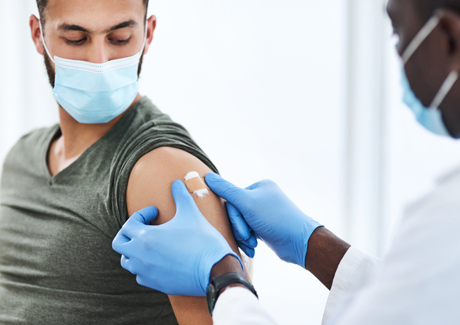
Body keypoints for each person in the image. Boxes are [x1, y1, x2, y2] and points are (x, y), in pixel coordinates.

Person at [113, 0, 460, 323]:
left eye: (399, 34)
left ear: (447, 37)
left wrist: (223, 275)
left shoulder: (445, 220)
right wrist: (313, 244)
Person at [0, 0, 249, 324]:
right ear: (38, 35)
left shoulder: (159, 167)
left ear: (147, 34)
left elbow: (226, 313)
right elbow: (14, 283)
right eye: (76, 39)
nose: (99, 61)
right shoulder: (23, 156)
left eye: (119, 38)